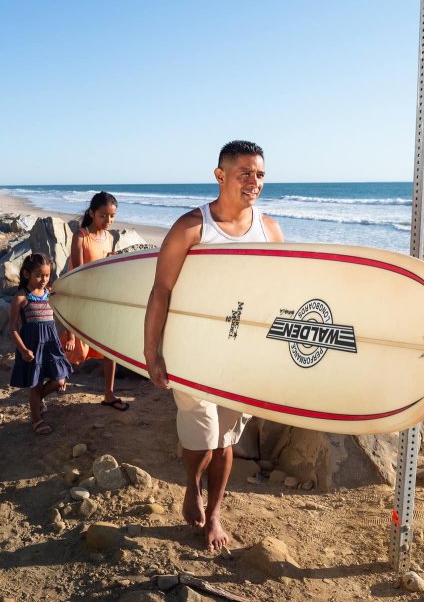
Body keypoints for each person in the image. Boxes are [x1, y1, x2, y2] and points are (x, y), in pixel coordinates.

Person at [144, 140, 284, 551]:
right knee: (201, 438)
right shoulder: (192, 227)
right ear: (220, 175)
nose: (254, 182)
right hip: (194, 353)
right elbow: (161, 290)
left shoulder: (270, 230)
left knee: (226, 440)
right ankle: (192, 485)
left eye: (259, 174)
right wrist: (152, 353)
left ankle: (216, 511)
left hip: (241, 356)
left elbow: (277, 297)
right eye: (245, 173)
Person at [65, 191, 129, 411]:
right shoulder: (81, 236)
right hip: (81, 300)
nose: (108, 221)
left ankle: (109, 395)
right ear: (92, 213)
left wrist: (112, 263)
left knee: (109, 351)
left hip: (101, 300)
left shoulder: (110, 238)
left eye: (112, 216)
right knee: (77, 353)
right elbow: (79, 273)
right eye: (103, 216)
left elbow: (105, 270)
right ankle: (55, 379)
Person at [9, 253, 74, 435]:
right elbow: (13, 327)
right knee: (36, 384)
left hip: (51, 345)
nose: (44, 279)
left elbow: (63, 315)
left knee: (59, 380)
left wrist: (71, 337)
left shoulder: (50, 293)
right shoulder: (21, 298)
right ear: (27, 274)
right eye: (39, 275)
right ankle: (37, 419)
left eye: (47, 275)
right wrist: (22, 349)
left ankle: (36, 401)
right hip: (32, 346)